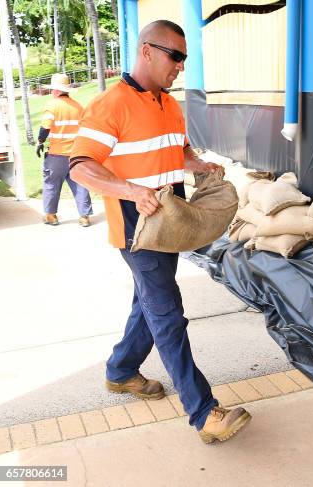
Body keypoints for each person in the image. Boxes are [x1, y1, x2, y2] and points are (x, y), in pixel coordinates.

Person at [69, 20, 251, 444]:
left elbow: (176, 152)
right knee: (167, 313)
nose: (180, 67)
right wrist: (129, 190)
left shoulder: (169, 104)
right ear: (147, 51)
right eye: (175, 56)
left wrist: (197, 164)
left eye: (184, 59)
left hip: (170, 224)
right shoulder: (110, 105)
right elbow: (80, 166)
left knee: (147, 305)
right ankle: (204, 412)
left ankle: (121, 371)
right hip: (138, 230)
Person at [37, 73, 93, 226]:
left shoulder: (52, 105)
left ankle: (51, 216)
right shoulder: (78, 107)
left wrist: (40, 142)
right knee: (80, 183)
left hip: (56, 155)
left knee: (51, 184)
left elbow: (45, 127)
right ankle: (84, 217)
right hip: (76, 153)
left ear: (55, 91)